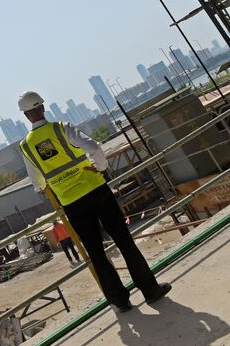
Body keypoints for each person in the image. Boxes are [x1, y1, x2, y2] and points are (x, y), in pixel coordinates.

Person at [17, 91, 171, 313]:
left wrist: (54, 184)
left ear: (25, 115)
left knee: (96, 253)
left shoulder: (26, 146)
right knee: (123, 241)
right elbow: (94, 147)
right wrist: (99, 167)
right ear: (42, 108)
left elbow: (38, 184)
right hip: (96, 190)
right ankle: (150, 291)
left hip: (71, 203)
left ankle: (120, 301)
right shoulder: (61, 127)